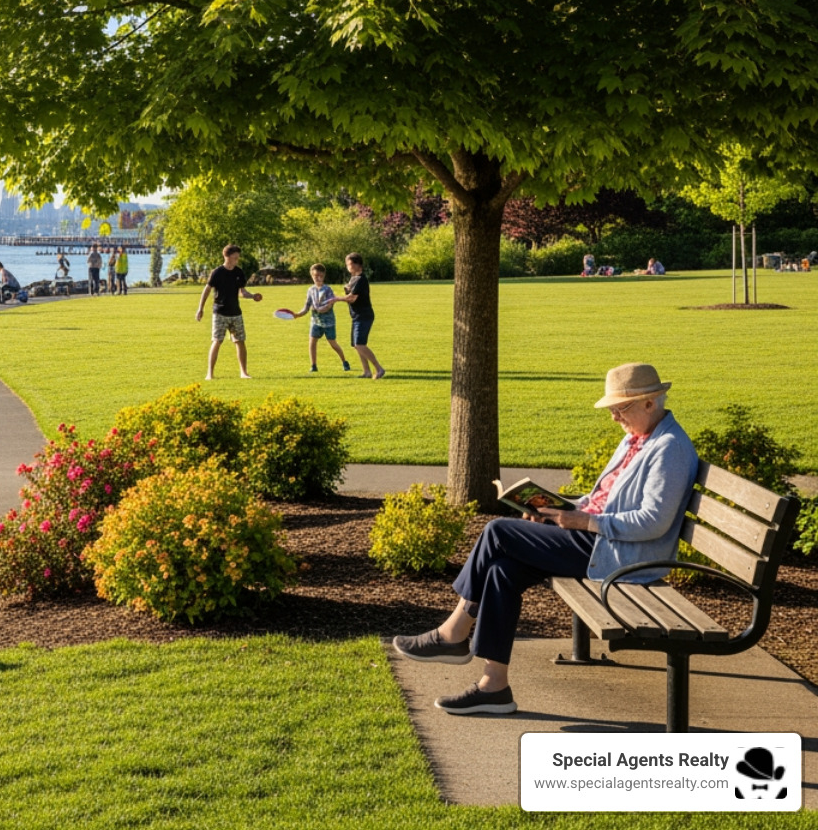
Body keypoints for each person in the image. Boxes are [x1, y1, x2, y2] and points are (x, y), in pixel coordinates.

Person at [393, 363, 697, 716]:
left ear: (650, 402)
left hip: (617, 554)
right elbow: (604, 499)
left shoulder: (669, 449)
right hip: (595, 537)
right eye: (612, 409)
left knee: (497, 531)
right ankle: (494, 687)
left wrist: (583, 520)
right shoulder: (638, 438)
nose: (615, 417)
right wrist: (556, 509)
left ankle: (453, 633)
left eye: (621, 408)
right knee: (503, 569)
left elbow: (652, 523)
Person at [195, 244, 260, 379]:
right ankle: (210, 374)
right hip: (220, 313)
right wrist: (200, 308)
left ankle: (244, 373)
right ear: (227, 256)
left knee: (240, 341)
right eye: (235, 257)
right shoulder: (217, 272)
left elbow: (242, 292)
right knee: (217, 341)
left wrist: (253, 296)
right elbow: (207, 290)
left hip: (236, 313)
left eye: (238, 258)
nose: (237, 260)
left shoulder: (239, 272)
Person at [291, 263, 351, 373]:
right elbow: (306, 307)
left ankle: (344, 361)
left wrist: (319, 309)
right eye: (315, 276)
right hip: (315, 322)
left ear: (324, 276)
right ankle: (313, 366)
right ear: (311, 276)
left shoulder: (328, 290)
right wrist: (297, 314)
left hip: (328, 323)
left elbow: (329, 306)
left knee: (333, 344)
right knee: (312, 343)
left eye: (320, 276)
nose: (318, 278)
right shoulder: (310, 290)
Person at [340, 253, 385, 379]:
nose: (347, 267)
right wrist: (347, 290)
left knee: (360, 344)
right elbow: (352, 294)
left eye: (348, 264)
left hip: (364, 316)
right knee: (356, 345)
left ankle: (379, 369)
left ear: (356, 264)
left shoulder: (360, 279)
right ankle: (367, 372)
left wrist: (336, 299)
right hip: (356, 316)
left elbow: (353, 299)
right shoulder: (353, 279)